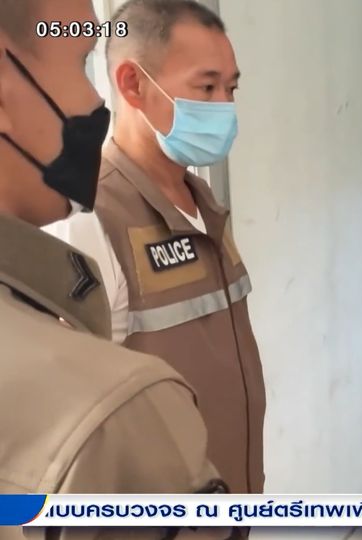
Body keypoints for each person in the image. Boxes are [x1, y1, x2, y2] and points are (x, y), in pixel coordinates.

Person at [0, 0, 226, 538]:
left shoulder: (209, 208)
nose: (94, 98)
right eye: (81, 61)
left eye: (230, 88)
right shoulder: (113, 417)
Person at [50, 0, 266, 494]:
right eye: (206, 88)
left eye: (230, 89)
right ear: (133, 83)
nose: (224, 107)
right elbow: (69, 430)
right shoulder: (90, 219)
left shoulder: (203, 203)